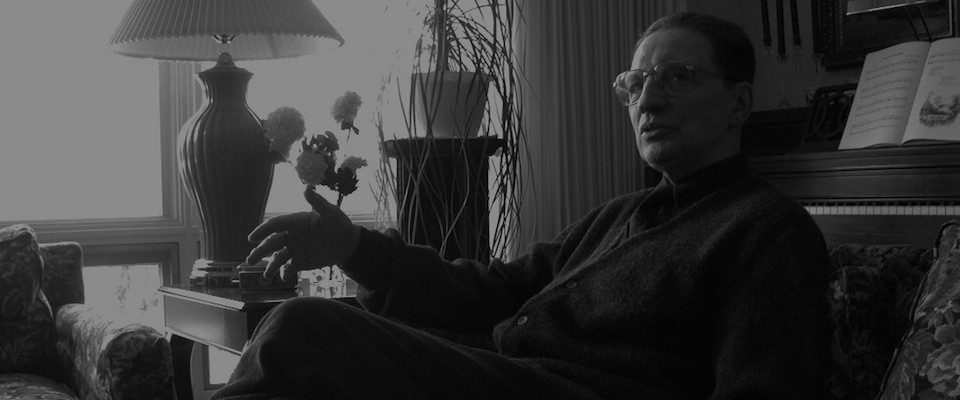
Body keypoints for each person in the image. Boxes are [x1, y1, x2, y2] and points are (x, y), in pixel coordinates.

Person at [212, 12, 830, 400]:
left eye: (679, 77)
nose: (649, 100)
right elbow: (494, 289)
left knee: (303, 330)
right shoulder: (617, 215)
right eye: (637, 83)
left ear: (739, 103)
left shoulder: (766, 229)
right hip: (507, 373)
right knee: (303, 339)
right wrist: (355, 249)